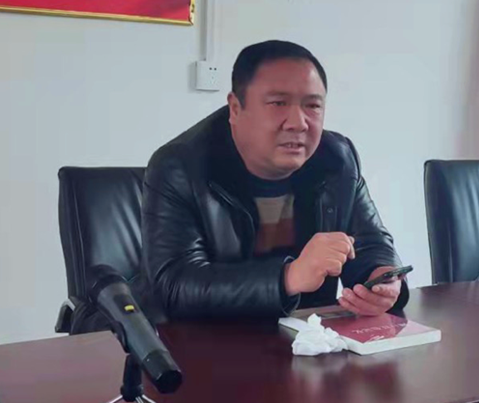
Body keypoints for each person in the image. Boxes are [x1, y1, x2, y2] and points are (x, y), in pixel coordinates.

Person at [138, 40, 409, 321]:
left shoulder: (337, 159)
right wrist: (288, 277)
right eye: (278, 103)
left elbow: (371, 243)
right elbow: (175, 286)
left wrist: (384, 280)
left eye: (312, 105)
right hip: (204, 338)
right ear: (235, 108)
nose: (298, 123)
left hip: (306, 337)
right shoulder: (179, 166)